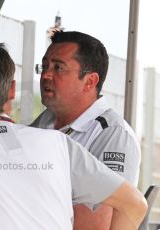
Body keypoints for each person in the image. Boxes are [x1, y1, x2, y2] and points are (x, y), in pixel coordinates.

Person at [0, 43, 146, 229]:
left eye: (59, 67)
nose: (46, 75)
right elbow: (136, 204)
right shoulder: (57, 143)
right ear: (12, 90)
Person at [31, 31, 141, 229]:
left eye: (58, 68)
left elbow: (97, 223)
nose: (46, 75)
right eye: (45, 66)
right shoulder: (43, 122)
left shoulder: (113, 134)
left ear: (90, 81)